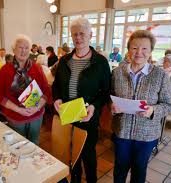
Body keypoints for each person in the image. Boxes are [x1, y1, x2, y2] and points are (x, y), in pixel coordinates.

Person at [52, 17, 111, 183]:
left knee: (88, 155)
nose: (78, 38)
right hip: (68, 115)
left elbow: (106, 92)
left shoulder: (100, 62)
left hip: (87, 117)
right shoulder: (64, 61)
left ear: (90, 35)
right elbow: (56, 85)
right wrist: (56, 99)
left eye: (82, 34)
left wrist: (94, 106)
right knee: (70, 153)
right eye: (74, 34)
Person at [111, 30, 171, 183]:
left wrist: (153, 110)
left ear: (151, 51)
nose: (139, 52)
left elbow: (168, 104)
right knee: (119, 169)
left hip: (146, 136)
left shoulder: (160, 75)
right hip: (122, 132)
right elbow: (111, 96)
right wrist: (112, 107)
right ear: (128, 50)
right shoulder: (117, 73)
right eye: (134, 48)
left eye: (144, 48)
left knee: (139, 171)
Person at [0, 35, 51, 145]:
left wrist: (37, 107)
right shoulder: (5, 70)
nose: (23, 51)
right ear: (13, 49)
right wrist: (19, 110)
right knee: (17, 144)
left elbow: (46, 92)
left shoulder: (37, 68)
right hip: (15, 115)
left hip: (36, 114)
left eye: (26, 48)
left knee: (34, 143)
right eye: (20, 47)